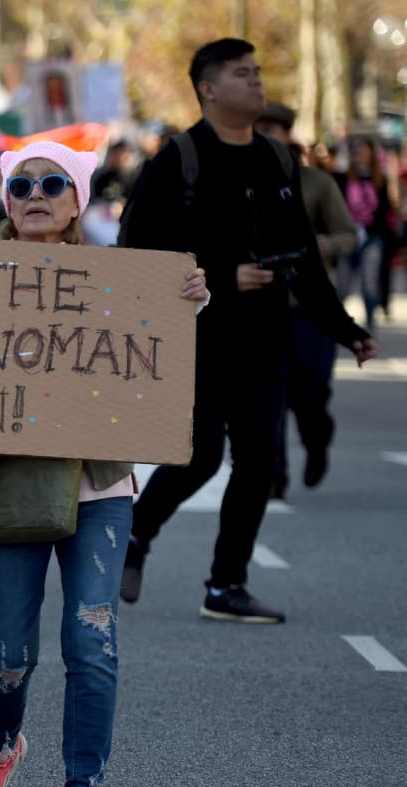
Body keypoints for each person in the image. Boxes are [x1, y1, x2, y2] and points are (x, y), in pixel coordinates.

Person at [0, 140, 211, 787]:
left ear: (78, 202)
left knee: (91, 641)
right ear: (6, 202)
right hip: (6, 483)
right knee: (9, 649)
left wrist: (187, 300)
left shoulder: (117, 280)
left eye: (53, 183)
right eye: (23, 184)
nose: (37, 194)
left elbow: (152, 351)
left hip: (100, 487)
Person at [117, 38, 376, 623]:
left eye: (258, 72)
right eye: (242, 73)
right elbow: (137, 249)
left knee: (259, 461)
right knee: (201, 457)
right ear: (208, 89)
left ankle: (226, 586)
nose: (257, 82)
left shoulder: (279, 160)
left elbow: (304, 259)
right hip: (198, 338)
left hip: (266, 339)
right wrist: (220, 275)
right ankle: (136, 533)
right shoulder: (180, 157)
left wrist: (347, 330)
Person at [254, 102, 358, 497]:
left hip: (312, 310)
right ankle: (273, 475)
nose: (265, 134)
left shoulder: (317, 183)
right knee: (269, 396)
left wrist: (328, 242)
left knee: (311, 394)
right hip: (261, 307)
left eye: (273, 128)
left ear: (287, 134)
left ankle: (317, 441)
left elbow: (349, 233)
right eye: (258, 126)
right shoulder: (241, 184)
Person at [334, 136, 393, 332]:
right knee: (342, 285)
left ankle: (370, 324)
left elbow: (387, 210)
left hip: (372, 237)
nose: (358, 154)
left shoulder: (381, 180)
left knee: (369, 281)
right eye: (355, 150)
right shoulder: (342, 179)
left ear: (371, 153)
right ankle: (337, 323)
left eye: (362, 149)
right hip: (347, 236)